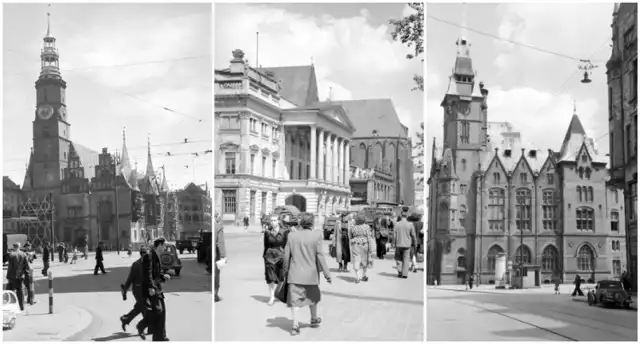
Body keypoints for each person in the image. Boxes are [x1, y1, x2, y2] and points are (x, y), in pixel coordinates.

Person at [283, 212, 331, 336]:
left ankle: (295, 325)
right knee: (313, 297)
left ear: (300, 223)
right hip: (311, 274)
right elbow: (320, 256)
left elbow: (286, 256)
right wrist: (327, 274)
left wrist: (284, 271)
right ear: (312, 223)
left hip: (294, 274)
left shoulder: (292, 236)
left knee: (295, 301)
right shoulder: (316, 236)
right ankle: (314, 318)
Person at [141, 237, 171, 341]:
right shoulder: (149, 256)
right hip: (153, 289)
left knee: (162, 312)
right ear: (159, 245)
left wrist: (163, 276)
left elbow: (157, 272)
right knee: (158, 311)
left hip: (158, 287)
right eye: (164, 246)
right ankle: (143, 326)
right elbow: (148, 273)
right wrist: (151, 287)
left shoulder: (157, 255)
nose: (165, 248)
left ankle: (160, 336)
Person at [121, 246, 150, 339]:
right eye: (145, 255)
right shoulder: (136, 265)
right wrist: (125, 289)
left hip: (145, 290)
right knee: (144, 307)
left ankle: (126, 319)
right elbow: (130, 279)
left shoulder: (147, 264)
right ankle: (147, 327)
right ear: (142, 255)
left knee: (141, 307)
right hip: (138, 290)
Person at [263, 214, 289, 305]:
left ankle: (282, 293)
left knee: (281, 277)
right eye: (271, 220)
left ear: (278, 221)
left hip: (281, 255)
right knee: (270, 278)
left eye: (275, 220)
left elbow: (287, 245)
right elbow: (266, 245)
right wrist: (265, 256)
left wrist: (287, 256)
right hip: (269, 256)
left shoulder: (285, 231)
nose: (273, 222)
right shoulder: (267, 232)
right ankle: (272, 297)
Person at [348, 214, 375, 284]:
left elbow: (350, 236)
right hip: (364, 244)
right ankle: (364, 275)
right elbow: (369, 238)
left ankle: (357, 277)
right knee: (364, 260)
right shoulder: (367, 227)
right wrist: (371, 249)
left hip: (355, 245)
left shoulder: (353, 227)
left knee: (356, 260)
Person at [7, 243, 30, 311]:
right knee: (20, 291)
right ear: (19, 247)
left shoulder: (11, 254)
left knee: (10, 291)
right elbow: (27, 266)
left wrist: (8, 276)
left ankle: (10, 307)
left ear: (13, 247)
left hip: (12, 276)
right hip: (20, 276)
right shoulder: (23, 254)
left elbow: (10, 266)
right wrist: (26, 275)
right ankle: (21, 306)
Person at [394, 207, 416, 278]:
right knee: (406, 259)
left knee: (398, 258)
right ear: (407, 215)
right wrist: (415, 244)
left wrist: (394, 244)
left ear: (401, 214)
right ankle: (405, 274)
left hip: (398, 244)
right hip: (407, 245)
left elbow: (394, 235)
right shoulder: (410, 224)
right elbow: (413, 235)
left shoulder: (396, 224)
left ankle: (400, 271)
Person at [215, 213, 226, 303]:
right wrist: (223, 256)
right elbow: (220, 243)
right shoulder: (218, 227)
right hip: (215, 255)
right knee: (216, 274)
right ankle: (215, 294)